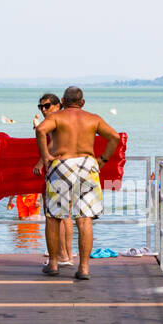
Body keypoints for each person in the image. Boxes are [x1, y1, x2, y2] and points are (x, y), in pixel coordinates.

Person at [34, 86, 120, 279]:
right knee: (85, 218)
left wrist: (45, 155)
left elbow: (40, 130)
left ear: (63, 101)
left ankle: (54, 264)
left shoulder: (56, 117)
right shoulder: (93, 118)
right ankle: (84, 268)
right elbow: (114, 137)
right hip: (87, 165)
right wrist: (103, 160)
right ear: (82, 102)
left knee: (54, 217)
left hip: (62, 164)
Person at [33, 93, 74, 267]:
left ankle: (61, 256)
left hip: (60, 169)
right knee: (66, 215)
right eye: (40, 107)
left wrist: (41, 161)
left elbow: (54, 143)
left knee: (56, 215)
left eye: (47, 106)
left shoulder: (56, 118)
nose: (43, 109)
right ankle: (66, 255)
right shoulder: (68, 118)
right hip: (72, 169)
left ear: (58, 105)